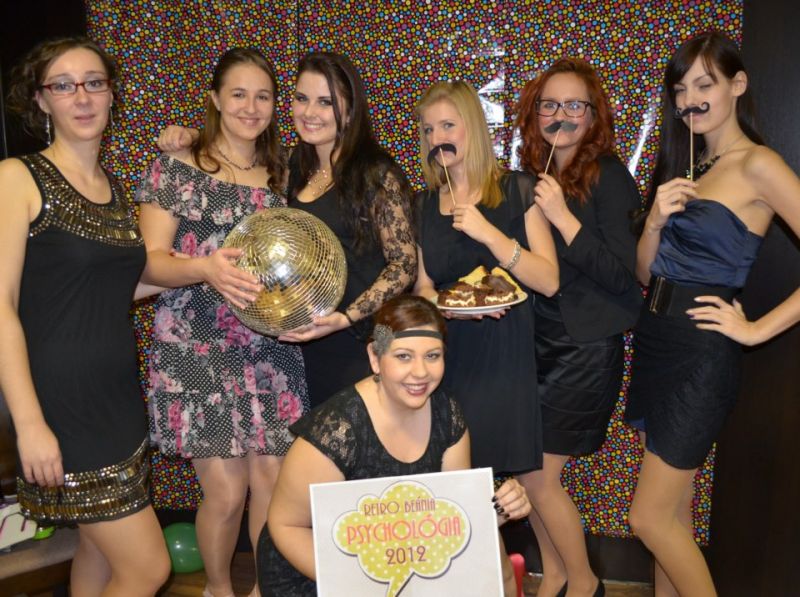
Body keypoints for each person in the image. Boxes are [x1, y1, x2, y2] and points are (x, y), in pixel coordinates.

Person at [626, 31, 800, 597]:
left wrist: (755, 330)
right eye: (681, 90)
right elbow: (645, 275)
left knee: (648, 520)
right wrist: (654, 221)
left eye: (705, 84)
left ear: (737, 85)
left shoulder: (759, 164)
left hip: (702, 352)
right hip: (657, 339)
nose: (690, 100)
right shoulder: (692, 162)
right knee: (672, 517)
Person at [136, 48, 308, 597]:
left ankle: (262, 590)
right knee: (227, 494)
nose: (251, 107)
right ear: (214, 98)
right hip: (195, 345)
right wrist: (206, 268)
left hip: (270, 348)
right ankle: (218, 589)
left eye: (263, 96)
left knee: (273, 485)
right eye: (238, 94)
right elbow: (148, 264)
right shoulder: (176, 167)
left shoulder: (285, 173)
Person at [0, 37, 170, 595]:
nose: (82, 97)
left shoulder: (114, 189)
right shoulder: (17, 178)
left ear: (111, 94)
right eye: (63, 85)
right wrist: (30, 424)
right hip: (61, 403)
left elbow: (115, 287)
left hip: (116, 398)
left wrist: (208, 272)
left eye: (94, 83)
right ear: (41, 100)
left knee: (98, 552)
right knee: (148, 568)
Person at [158, 51, 417, 408]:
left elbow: (404, 265)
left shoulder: (376, 175)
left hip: (358, 346)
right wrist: (192, 136)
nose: (310, 112)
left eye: (325, 102)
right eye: (301, 98)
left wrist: (346, 318)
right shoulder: (289, 168)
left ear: (350, 110)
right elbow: (234, 146)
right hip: (298, 354)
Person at [257, 295, 531, 596]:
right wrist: (363, 586)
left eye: (432, 356)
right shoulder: (336, 430)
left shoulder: (447, 414)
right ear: (375, 358)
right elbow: (285, 525)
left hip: (401, 561)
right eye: (403, 356)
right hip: (315, 572)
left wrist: (498, 510)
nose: (421, 372)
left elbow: (453, 512)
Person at [513, 58, 643, 597]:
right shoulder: (534, 176)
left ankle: (586, 583)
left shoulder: (609, 176)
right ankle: (556, 577)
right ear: (534, 113)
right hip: (536, 342)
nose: (560, 115)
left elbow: (624, 276)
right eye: (549, 104)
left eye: (573, 105)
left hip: (584, 350)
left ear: (592, 116)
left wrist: (563, 218)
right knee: (527, 473)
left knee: (540, 477)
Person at [413, 80, 559, 476]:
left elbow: (548, 281)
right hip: (444, 357)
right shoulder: (423, 204)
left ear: (473, 127)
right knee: (450, 482)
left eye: (447, 126)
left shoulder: (516, 189)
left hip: (502, 359)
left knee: (496, 482)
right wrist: (445, 308)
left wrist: (490, 235)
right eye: (428, 130)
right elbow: (423, 286)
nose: (436, 139)